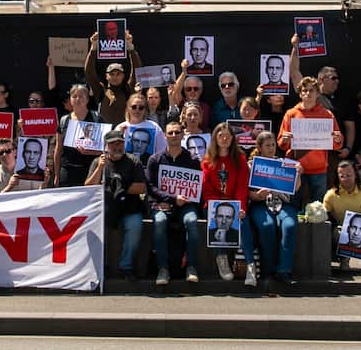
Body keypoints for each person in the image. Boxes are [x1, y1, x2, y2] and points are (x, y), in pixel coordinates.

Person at [86, 127, 147, 280]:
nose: (117, 147)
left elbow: (141, 187)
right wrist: (100, 168)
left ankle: (125, 267)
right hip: (106, 207)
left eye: (120, 143)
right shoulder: (98, 161)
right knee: (96, 225)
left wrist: (121, 185)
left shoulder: (133, 161)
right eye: (113, 144)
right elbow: (88, 187)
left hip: (129, 207)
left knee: (135, 225)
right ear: (106, 146)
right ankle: (102, 264)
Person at [146, 120, 202, 285]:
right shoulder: (155, 159)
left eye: (177, 132)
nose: (174, 135)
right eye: (170, 133)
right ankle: (163, 269)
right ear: (164, 135)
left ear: (182, 134)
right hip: (162, 205)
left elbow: (197, 187)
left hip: (186, 205)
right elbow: (151, 187)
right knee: (160, 222)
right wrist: (170, 200)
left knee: (192, 221)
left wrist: (183, 201)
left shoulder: (192, 159)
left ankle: (191, 267)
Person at [278, 77, 343, 209]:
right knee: (294, 205)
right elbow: (281, 143)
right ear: (300, 93)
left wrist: (337, 139)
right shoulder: (291, 114)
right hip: (296, 168)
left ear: (318, 93)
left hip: (318, 168)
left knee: (319, 208)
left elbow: (337, 145)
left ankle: (317, 230)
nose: (308, 93)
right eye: (304, 90)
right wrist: (284, 139)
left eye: (311, 90)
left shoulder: (327, 115)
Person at [247, 130, 299, 286]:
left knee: (290, 225)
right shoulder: (251, 165)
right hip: (260, 204)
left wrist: (299, 174)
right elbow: (246, 192)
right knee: (267, 226)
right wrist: (256, 196)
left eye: (273, 145)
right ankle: (267, 271)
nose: (271, 148)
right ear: (260, 147)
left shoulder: (285, 164)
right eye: (267, 145)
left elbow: (295, 188)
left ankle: (284, 271)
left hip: (283, 204)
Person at [201, 122, 250, 282]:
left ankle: (250, 265)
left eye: (227, 136)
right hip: (213, 204)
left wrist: (240, 207)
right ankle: (221, 259)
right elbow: (206, 188)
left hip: (235, 203)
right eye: (220, 135)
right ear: (215, 138)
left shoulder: (240, 160)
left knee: (245, 223)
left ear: (232, 139)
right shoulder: (207, 161)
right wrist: (215, 205)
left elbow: (242, 187)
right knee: (216, 221)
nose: (224, 139)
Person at [323, 160, 361, 271]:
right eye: (342, 176)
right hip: (340, 232)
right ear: (337, 177)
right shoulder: (331, 195)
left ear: (355, 174)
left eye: (349, 175)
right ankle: (344, 258)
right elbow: (324, 216)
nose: (346, 178)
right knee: (333, 230)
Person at [84, 28, 143, 124]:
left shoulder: (128, 89)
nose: (115, 77)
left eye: (118, 74)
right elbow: (89, 73)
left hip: (123, 134)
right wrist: (93, 48)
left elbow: (137, 71)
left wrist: (130, 47)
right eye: (112, 74)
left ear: (123, 76)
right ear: (106, 76)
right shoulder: (101, 90)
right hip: (105, 135)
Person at [55, 83, 101, 188]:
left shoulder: (97, 118)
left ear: (87, 99)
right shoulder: (64, 120)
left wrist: (90, 151)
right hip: (67, 171)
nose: (77, 99)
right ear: (70, 100)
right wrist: (57, 174)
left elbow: (105, 149)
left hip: (90, 170)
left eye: (81, 96)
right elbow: (58, 150)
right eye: (74, 96)